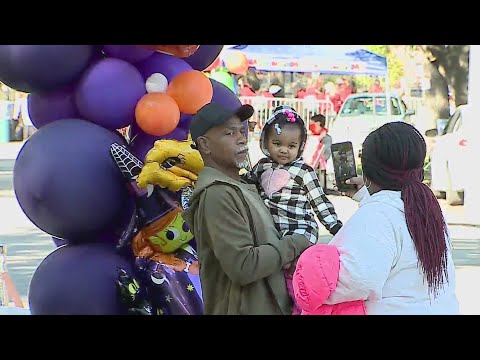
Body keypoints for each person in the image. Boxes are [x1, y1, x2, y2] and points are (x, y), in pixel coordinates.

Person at [294, 122, 460, 314]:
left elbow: (357, 280)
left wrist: (310, 271)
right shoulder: (426, 207)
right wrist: (366, 196)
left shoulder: (377, 215)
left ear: (368, 170)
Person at [183, 103, 311, 315]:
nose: (242, 139)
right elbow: (244, 265)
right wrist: (295, 243)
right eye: (229, 133)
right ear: (205, 145)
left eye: (242, 131)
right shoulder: (217, 194)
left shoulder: (243, 186)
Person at [243, 105, 342, 313]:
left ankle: (303, 307)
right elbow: (249, 189)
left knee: (298, 277)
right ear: (265, 142)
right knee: (276, 279)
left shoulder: (303, 171)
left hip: (299, 232)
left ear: (300, 146)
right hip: (274, 234)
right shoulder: (261, 167)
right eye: (277, 143)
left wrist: (335, 226)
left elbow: (319, 201)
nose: (283, 150)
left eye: (291, 146)